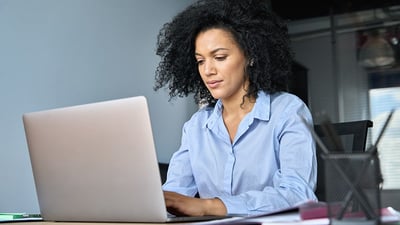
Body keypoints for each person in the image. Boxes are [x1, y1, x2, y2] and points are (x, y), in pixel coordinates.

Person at [154, 0, 317, 217]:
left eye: (219, 57)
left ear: (250, 55)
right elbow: (173, 195)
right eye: (200, 61)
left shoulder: (287, 111)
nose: (208, 70)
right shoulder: (196, 126)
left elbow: (298, 195)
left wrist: (210, 206)